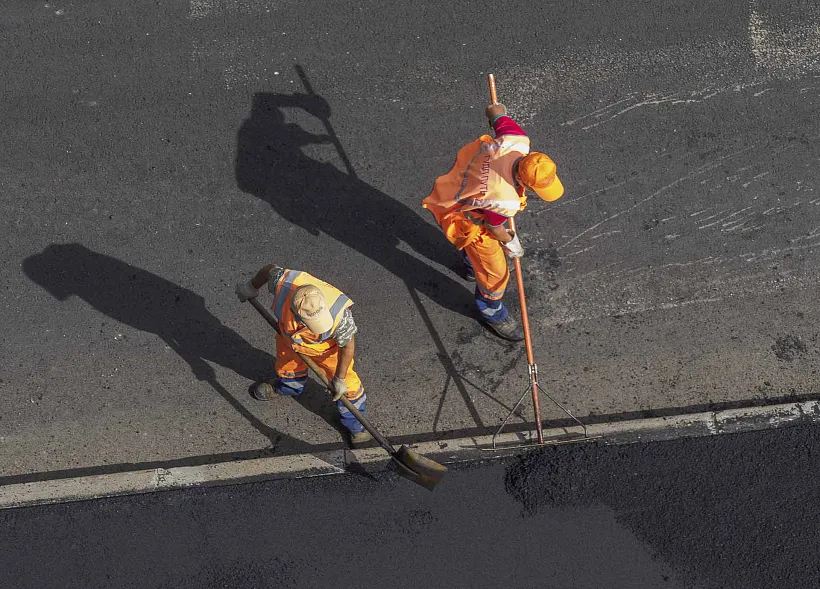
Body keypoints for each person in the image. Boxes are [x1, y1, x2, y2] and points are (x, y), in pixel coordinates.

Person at [422, 103, 564, 341]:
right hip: (465, 214)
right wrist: (512, 243)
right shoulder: (503, 198)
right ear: (522, 180)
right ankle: (492, 312)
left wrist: (495, 110)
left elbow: (496, 114)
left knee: (476, 257)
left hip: (455, 185)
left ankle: (469, 267)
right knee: (496, 274)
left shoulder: (515, 140)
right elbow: (494, 228)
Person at [235, 265, 372, 447]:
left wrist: (339, 379)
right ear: (296, 314)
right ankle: (289, 386)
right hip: (290, 338)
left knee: (348, 388)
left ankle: (356, 425)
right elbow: (268, 270)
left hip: (325, 350)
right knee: (288, 367)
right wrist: (251, 287)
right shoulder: (283, 282)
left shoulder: (341, 317)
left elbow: (347, 346)